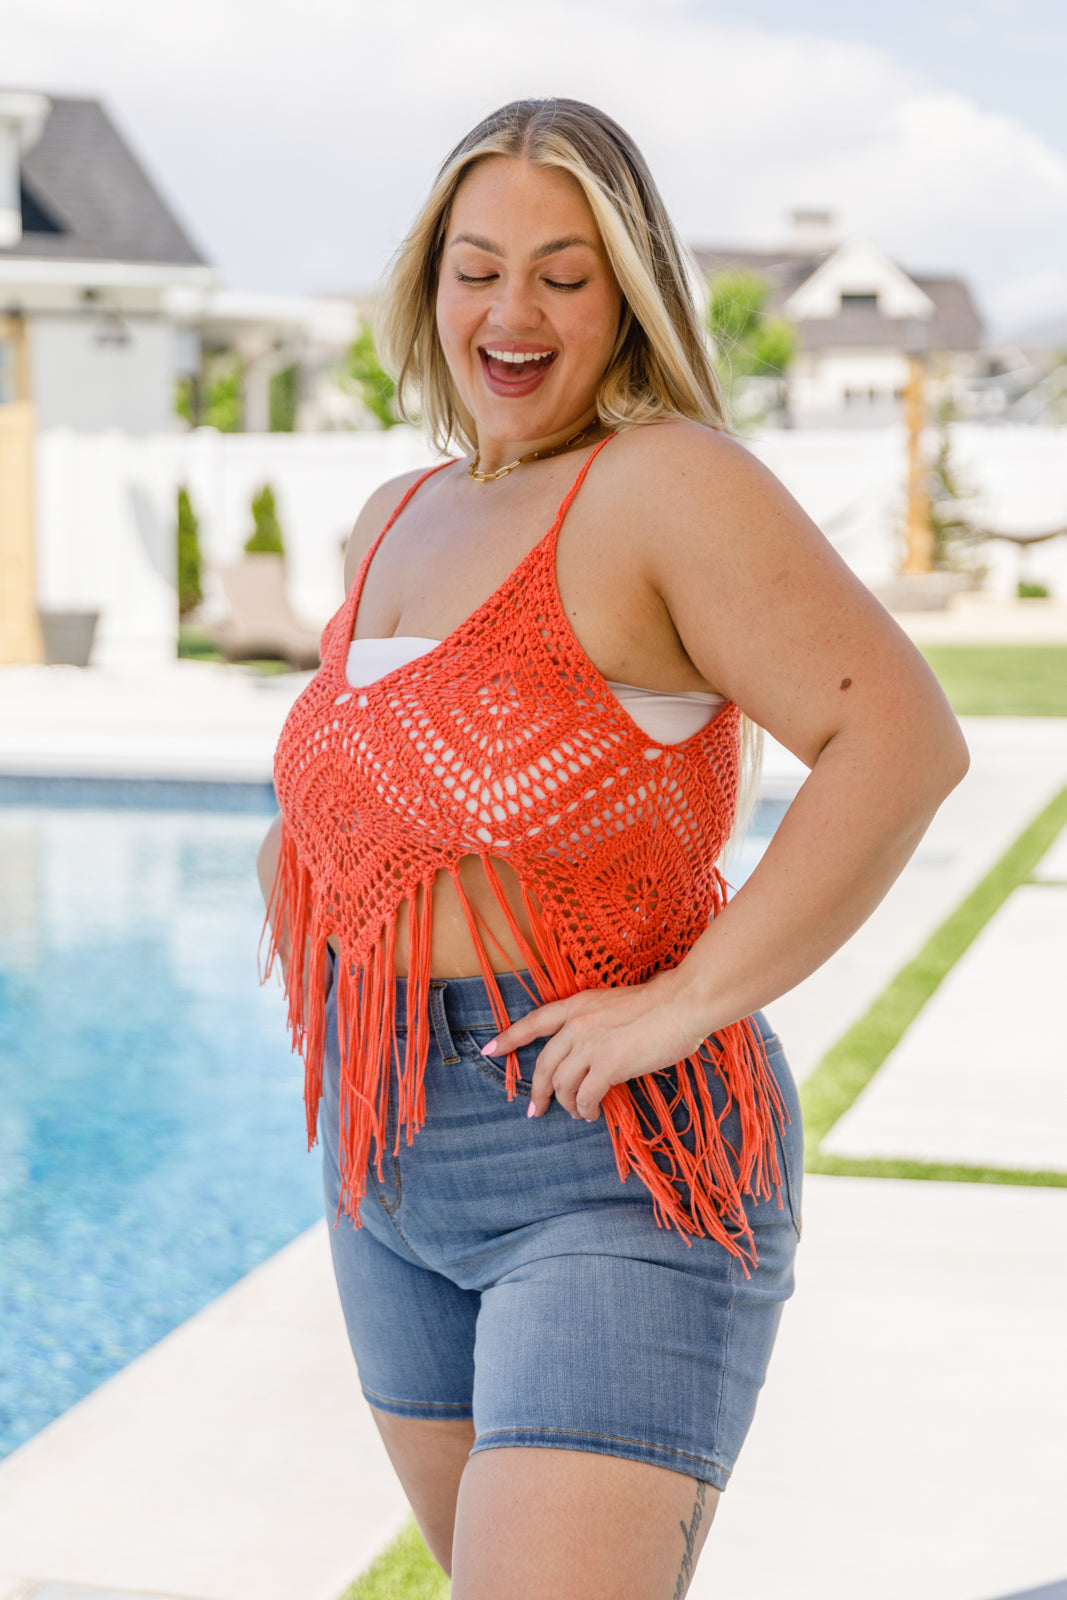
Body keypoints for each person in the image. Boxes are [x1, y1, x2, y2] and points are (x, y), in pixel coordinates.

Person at [257, 98, 968, 1598]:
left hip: (605, 1159)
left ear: (628, 292)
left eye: (564, 275)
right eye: (477, 265)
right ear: (428, 283)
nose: (511, 310)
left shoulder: (664, 484)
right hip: (381, 1155)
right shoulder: (397, 512)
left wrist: (686, 1000)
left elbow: (900, 742)